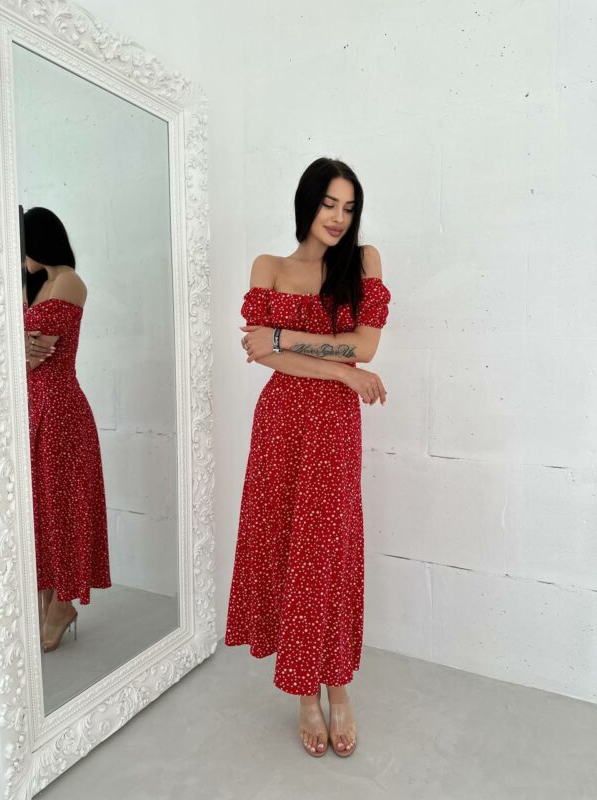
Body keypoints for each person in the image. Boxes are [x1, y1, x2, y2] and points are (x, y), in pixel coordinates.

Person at [225, 158, 391, 758]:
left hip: (333, 429)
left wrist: (284, 337)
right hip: (281, 423)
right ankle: (303, 693)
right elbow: (260, 353)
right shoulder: (268, 267)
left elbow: (364, 344)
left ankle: (338, 686)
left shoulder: (363, 261)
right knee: (286, 547)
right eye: (328, 204)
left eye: (349, 207)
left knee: (330, 552)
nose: (339, 218)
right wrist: (340, 371)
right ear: (306, 202)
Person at [22, 207, 111, 653]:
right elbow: (24, 352)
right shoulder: (34, 285)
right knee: (38, 507)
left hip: (60, 410)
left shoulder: (69, 281)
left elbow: (37, 353)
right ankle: (46, 601)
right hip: (30, 407)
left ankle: (62, 604)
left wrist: (19, 347)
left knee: (60, 506)